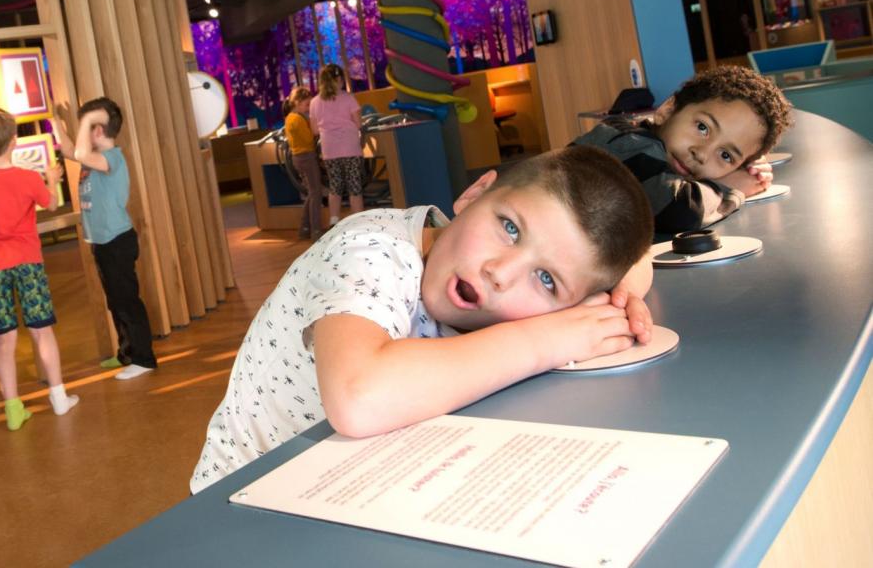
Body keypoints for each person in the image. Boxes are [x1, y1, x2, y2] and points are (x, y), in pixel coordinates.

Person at [190, 146, 655, 493]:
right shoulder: (371, 249)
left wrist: (623, 293)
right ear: (473, 194)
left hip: (360, 482)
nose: (500, 273)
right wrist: (542, 340)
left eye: (546, 280)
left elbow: (635, 260)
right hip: (250, 496)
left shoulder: (502, 281)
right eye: (509, 228)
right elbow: (358, 397)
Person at [0, 107, 78, 430]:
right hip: (27, 262)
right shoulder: (27, 178)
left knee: (4, 340)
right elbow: (51, 203)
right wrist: (51, 179)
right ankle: (59, 398)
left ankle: (12, 409)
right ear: (14, 141)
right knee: (41, 330)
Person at [575, 66, 794, 234]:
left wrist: (747, 170)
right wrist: (730, 186)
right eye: (702, 128)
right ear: (668, 110)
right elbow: (681, 210)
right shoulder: (627, 144)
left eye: (726, 155)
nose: (702, 154)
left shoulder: (657, 154)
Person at [53, 98, 157, 381]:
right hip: (103, 243)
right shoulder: (94, 156)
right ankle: (126, 352)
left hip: (117, 241)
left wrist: (87, 121)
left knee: (127, 301)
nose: (81, 133)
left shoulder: (112, 158)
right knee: (115, 301)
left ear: (97, 131)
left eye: (86, 126)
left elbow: (81, 153)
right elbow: (69, 150)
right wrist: (55, 121)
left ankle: (144, 359)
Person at [308, 64, 364, 227]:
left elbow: (314, 130)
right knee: (354, 186)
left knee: (335, 186)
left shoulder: (314, 102)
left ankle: (334, 221)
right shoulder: (348, 98)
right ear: (339, 79)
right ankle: (359, 223)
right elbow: (359, 124)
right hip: (350, 148)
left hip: (329, 150)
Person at [282, 87, 322, 241]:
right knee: (316, 193)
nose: (309, 108)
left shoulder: (290, 118)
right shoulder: (297, 119)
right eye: (307, 105)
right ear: (297, 103)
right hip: (306, 157)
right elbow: (308, 138)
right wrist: (313, 124)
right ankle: (316, 231)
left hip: (298, 157)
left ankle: (304, 228)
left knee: (311, 193)